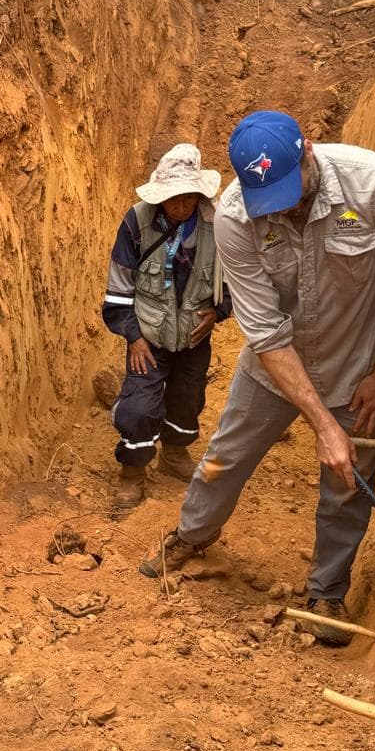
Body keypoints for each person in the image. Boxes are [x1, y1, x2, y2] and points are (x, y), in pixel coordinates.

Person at [139, 110, 375, 643]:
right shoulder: (233, 217)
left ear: (309, 154)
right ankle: (193, 533)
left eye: (286, 192)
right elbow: (266, 331)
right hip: (273, 368)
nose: (281, 210)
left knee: (348, 483)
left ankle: (328, 591)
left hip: (357, 368)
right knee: (225, 455)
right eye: (266, 201)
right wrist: (323, 426)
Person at [102, 143, 234, 509]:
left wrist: (219, 311)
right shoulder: (136, 223)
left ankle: (174, 455)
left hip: (194, 336)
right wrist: (133, 336)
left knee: (187, 399)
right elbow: (119, 287)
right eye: (173, 198)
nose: (180, 205)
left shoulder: (217, 223)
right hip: (148, 336)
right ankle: (132, 473)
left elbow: (241, 275)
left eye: (187, 197)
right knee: (139, 407)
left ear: (197, 194)